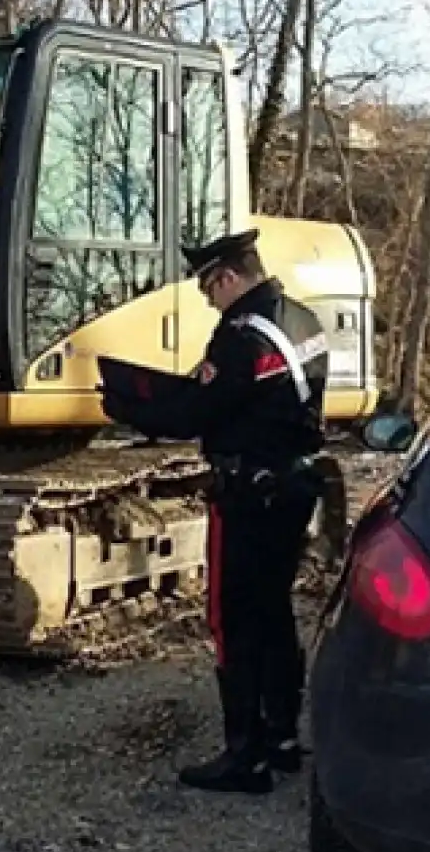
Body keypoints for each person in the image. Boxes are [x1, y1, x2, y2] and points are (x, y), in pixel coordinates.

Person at [100, 228, 329, 795]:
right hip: (295, 487)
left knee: (233, 622)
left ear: (226, 277)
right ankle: (279, 737)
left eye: (208, 289)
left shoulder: (240, 335)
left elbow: (197, 411)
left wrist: (127, 407)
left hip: (248, 494)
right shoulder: (303, 319)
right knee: (275, 614)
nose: (207, 300)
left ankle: (243, 756)